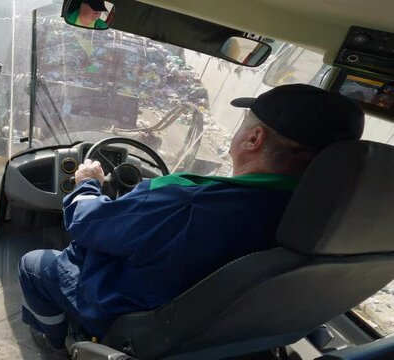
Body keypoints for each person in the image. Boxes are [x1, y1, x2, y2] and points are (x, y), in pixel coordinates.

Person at [18, 84, 365, 354]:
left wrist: (87, 185)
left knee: (34, 264)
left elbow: (86, 225)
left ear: (253, 138)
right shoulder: (326, 218)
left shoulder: (190, 200)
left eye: (246, 124)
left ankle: (55, 340)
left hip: (133, 316)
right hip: (222, 330)